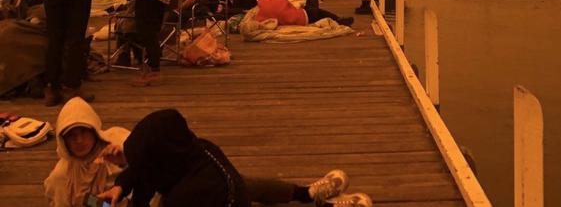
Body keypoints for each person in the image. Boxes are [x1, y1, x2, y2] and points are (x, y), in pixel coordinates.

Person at [97, 109, 372, 207]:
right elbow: (145, 168)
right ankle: (307, 194)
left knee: (240, 187)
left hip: (223, 199)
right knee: (244, 182)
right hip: (227, 187)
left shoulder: (183, 196)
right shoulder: (197, 149)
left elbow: (148, 174)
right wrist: (121, 185)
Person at [44, 97, 130, 207]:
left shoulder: (118, 142)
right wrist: (99, 204)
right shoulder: (61, 176)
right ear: (64, 141)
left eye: (84, 132)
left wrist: (125, 160)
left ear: (94, 131)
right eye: (71, 135)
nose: (79, 140)